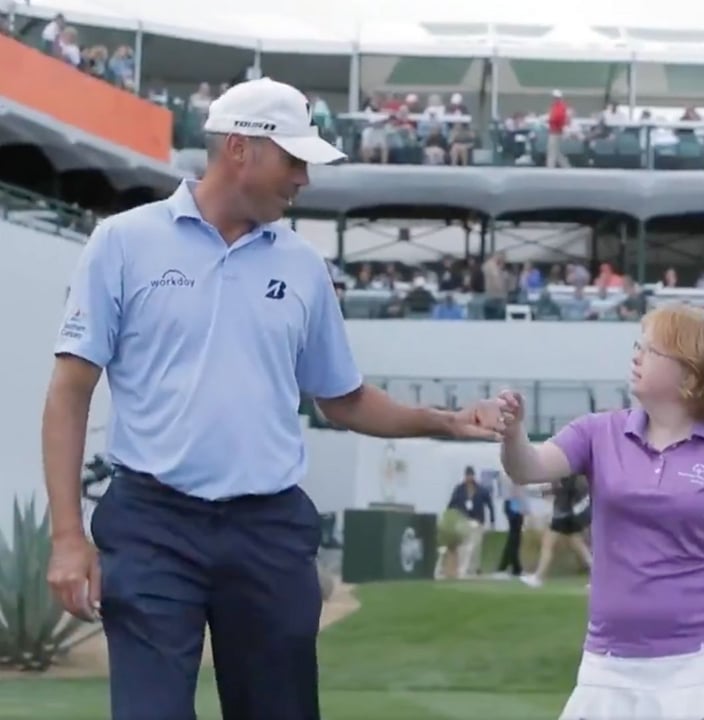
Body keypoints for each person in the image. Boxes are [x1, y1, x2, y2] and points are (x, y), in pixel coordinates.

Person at [41, 77, 505, 720]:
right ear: (240, 148)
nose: (303, 179)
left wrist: (444, 422)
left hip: (267, 532)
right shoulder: (122, 243)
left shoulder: (304, 267)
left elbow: (342, 399)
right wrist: (68, 537)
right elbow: (70, 394)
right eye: (293, 160)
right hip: (151, 526)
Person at [495, 304, 704, 720]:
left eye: (651, 350)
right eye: (637, 346)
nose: (636, 356)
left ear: (690, 373)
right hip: (608, 661)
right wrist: (513, 434)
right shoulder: (597, 432)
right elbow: (528, 468)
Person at [519, 474, 593, 588]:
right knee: (579, 545)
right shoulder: (574, 475)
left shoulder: (564, 473)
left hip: (562, 512)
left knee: (547, 544)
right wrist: (547, 491)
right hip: (570, 512)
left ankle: (538, 577)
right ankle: (598, 576)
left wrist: (546, 491)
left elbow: (560, 488)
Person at [446, 466, 496, 578]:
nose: (469, 478)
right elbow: (451, 504)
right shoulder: (459, 489)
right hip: (463, 519)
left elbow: (490, 505)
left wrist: (492, 521)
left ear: (473, 476)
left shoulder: (481, 490)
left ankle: (474, 568)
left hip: (477, 520)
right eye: (467, 475)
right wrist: (449, 519)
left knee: (476, 546)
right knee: (463, 545)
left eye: (471, 475)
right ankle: (462, 568)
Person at [496, 474, 529, 578]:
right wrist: (522, 509)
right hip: (514, 504)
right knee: (514, 537)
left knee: (514, 537)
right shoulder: (513, 476)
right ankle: (515, 568)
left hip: (513, 504)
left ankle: (505, 566)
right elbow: (516, 493)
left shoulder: (513, 475)